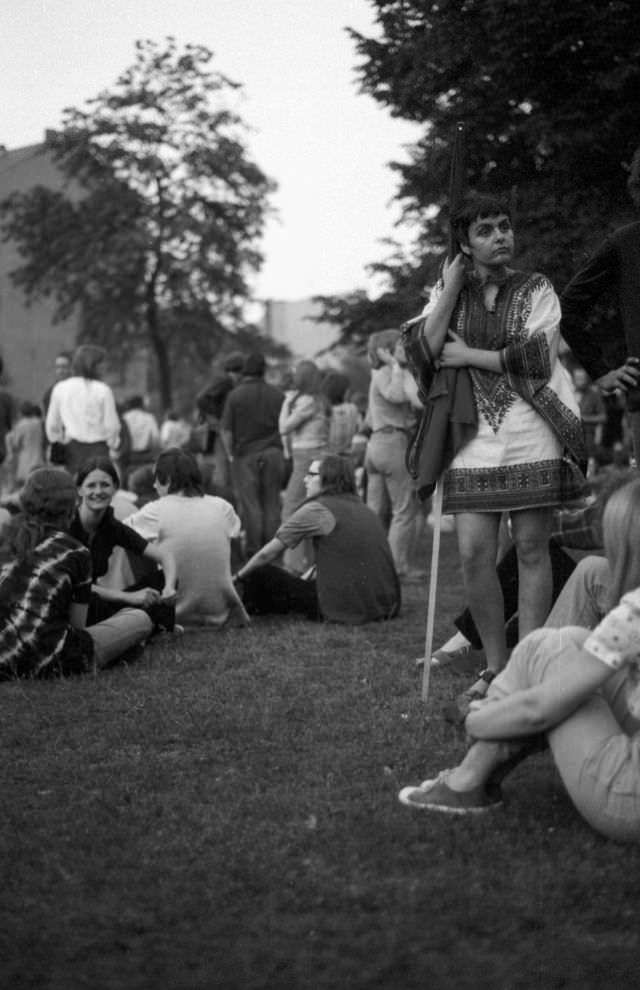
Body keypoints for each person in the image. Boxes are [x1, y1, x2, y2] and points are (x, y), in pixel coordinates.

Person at [398, 476, 640, 843]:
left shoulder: (635, 613)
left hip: (627, 795)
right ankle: (476, 765)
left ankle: (468, 777)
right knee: (566, 638)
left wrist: (477, 721)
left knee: (546, 647)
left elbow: (537, 711)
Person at [418, 192, 587, 711]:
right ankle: (494, 662)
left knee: (533, 548)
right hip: (473, 438)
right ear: (465, 243)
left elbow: (537, 356)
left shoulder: (536, 288)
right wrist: (448, 287)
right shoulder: (448, 291)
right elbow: (423, 348)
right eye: (486, 230)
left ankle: (527, 661)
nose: (500, 236)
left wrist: (468, 354)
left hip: (532, 431)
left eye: (504, 226)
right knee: (473, 553)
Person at [0, 468, 152, 679]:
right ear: (72, 504)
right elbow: (78, 626)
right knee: (140, 618)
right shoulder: (75, 551)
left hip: (4, 658)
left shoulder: (7, 539)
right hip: (51, 661)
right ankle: (120, 652)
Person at [234, 454, 400, 625]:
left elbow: (266, 554)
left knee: (259, 573)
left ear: (327, 479)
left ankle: (240, 610)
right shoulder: (364, 509)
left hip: (342, 605)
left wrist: (237, 578)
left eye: (311, 475)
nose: (305, 479)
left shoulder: (317, 509)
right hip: (384, 604)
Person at [121, 448, 248, 627]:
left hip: (175, 612)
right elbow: (234, 531)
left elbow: (119, 533)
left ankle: (143, 599)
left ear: (169, 480)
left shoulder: (156, 510)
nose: (154, 485)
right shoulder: (222, 506)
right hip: (220, 611)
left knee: (133, 543)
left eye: (157, 478)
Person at [69, 456, 178, 629]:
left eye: (105, 485)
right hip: (74, 603)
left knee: (162, 578)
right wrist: (127, 597)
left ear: (115, 488)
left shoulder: (111, 526)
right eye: (91, 485)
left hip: (101, 601)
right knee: (90, 598)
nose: (98, 491)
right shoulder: (69, 524)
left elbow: (164, 556)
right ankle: (146, 624)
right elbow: (73, 583)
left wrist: (169, 588)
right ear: (79, 490)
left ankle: (151, 625)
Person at [364, 329, 423, 580]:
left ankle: (371, 565)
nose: (406, 349)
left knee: (375, 512)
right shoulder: (386, 372)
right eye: (401, 346)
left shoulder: (377, 374)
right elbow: (397, 396)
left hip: (376, 443)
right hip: (392, 442)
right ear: (387, 351)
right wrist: (395, 367)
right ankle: (397, 568)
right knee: (403, 510)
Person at [220, 352, 285, 560]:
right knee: (272, 503)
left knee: (251, 505)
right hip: (274, 453)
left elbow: (227, 431)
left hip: (246, 456)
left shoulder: (235, 395)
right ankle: (273, 551)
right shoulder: (277, 394)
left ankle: (254, 552)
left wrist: (231, 454)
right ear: (263, 370)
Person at [45, 345, 120, 477]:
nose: (104, 368)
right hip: (100, 449)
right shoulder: (103, 390)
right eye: (102, 364)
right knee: (98, 490)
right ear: (93, 365)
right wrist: (113, 445)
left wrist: (57, 441)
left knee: (76, 487)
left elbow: (52, 424)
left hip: (72, 449)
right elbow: (111, 426)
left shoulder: (60, 388)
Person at [321, 370, 361, 456]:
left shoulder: (323, 410)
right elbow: (358, 430)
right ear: (342, 391)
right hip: (347, 456)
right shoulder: (352, 408)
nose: (349, 391)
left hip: (326, 456)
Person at [6, 401, 45, 488]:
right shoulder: (38, 423)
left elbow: (16, 443)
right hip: (39, 458)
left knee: (27, 486)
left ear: (22, 412)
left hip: (26, 461)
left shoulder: (21, 425)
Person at [121, 395, 160, 480]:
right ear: (141, 405)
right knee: (146, 482)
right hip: (146, 457)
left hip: (129, 457)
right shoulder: (149, 418)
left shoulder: (124, 418)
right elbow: (156, 439)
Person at [41, 350, 72, 416]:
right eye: (58, 367)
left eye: (64, 367)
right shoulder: (50, 393)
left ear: (71, 368)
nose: (60, 371)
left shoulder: (79, 389)